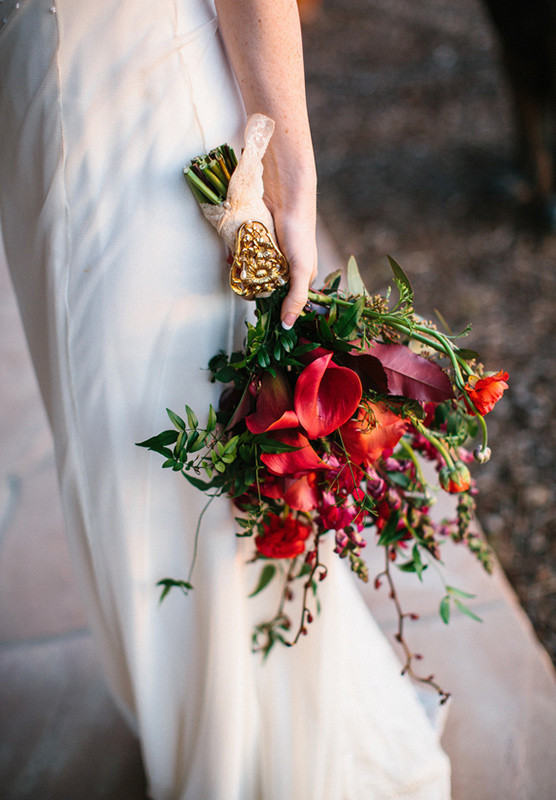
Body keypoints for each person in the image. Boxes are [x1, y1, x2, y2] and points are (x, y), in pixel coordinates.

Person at [0, 0, 451, 797]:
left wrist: (291, 179)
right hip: (30, 104)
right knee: (104, 455)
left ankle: (251, 745)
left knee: (183, 462)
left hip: (147, 106)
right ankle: (180, 713)